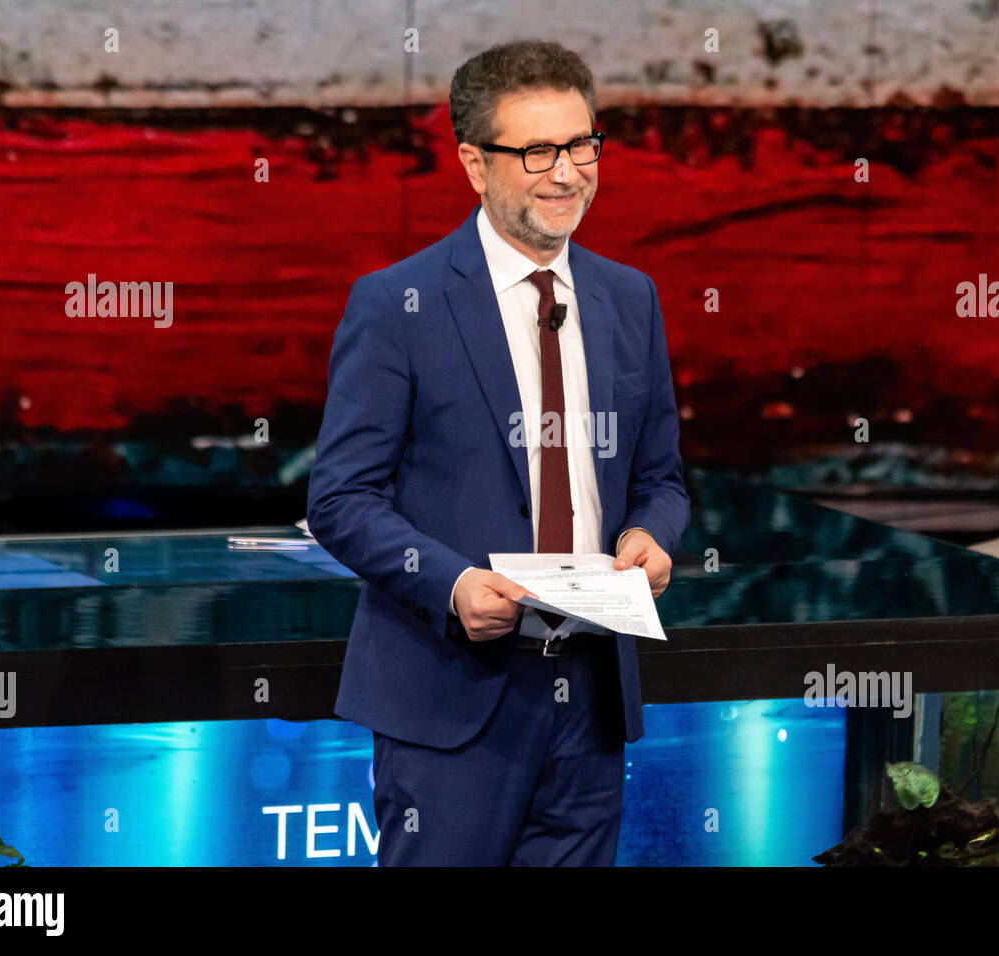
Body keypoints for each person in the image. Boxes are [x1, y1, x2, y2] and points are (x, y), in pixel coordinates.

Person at [307, 38, 690, 866]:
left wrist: (655, 537)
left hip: (591, 690)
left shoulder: (630, 297)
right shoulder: (396, 305)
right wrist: (448, 583)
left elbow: (662, 478)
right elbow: (339, 498)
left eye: (583, 144)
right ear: (475, 165)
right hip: (454, 697)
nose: (568, 173)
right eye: (538, 152)